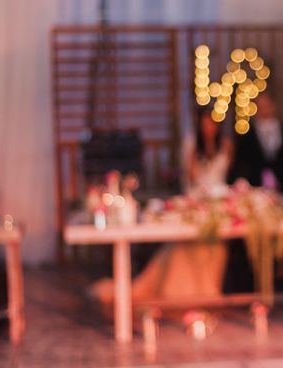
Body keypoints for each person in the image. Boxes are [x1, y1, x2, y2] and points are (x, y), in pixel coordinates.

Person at [91, 108, 232, 304]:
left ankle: (204, 290)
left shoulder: (225, 145)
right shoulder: (192, 146)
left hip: (219, 201)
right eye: (205, 123)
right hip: (196, 199)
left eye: (212, 122)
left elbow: (228, 174)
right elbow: (192, 178)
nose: (209, 127)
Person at [225, 91, 283, 292]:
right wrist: (237, 187)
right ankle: (252, 284)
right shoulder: (246, 135)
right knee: (253, 239)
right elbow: (238, 167)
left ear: (274, 107)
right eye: (261, 106)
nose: (265, 109)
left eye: (268, 105)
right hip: (256, 196)